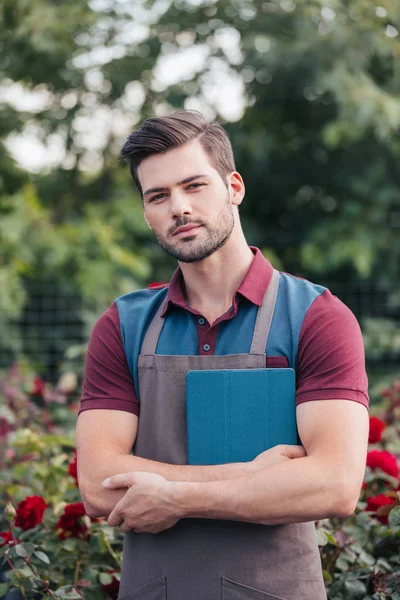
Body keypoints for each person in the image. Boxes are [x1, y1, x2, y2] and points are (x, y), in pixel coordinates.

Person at [76, 110, 369, 600]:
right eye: (158, 196)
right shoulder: (123, 325)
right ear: (146, 212)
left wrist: (177, 496)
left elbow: (334, 486)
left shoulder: (317, 317)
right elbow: (98, 485)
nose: (179, 208)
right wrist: (255, 476)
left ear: (233, 187)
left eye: (194, 186)